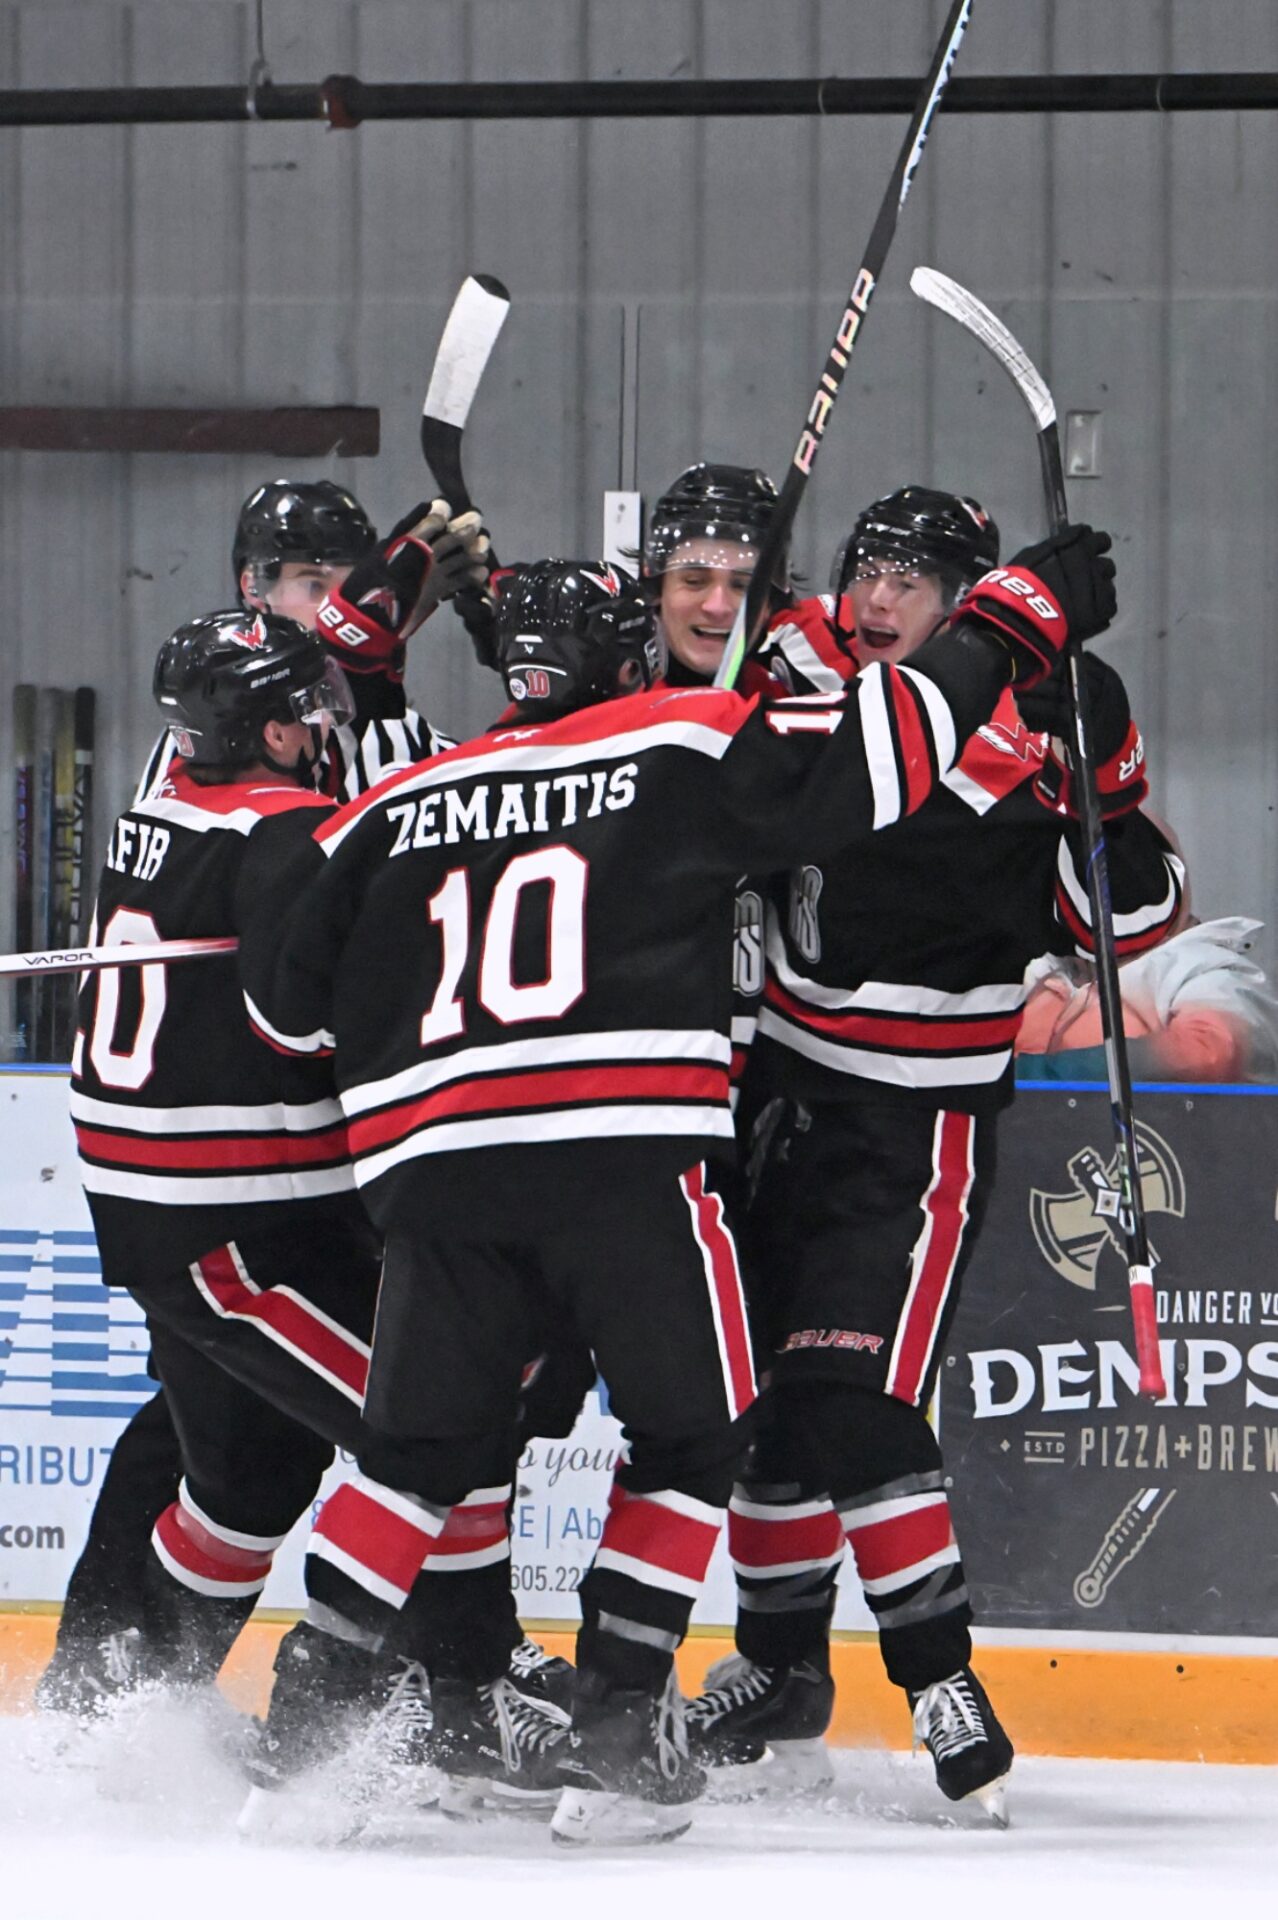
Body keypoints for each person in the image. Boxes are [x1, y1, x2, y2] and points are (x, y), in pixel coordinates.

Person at [236, 525, 1113, 1845]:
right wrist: (1008, 617)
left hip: (433, 1182)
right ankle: (615, 1718)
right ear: (623, 653)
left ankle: (304, 1720)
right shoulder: (681, 740)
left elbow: (284, 1010)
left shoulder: (394, 801)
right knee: (700, 1438)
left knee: (414, 1454)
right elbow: (873, 767)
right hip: (626, 1161)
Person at [684, 487, 1182, 1823]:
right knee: (758, 1411)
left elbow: (1124, 917)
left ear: (971, 607)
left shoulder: (1025, 734)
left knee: (854, 1402)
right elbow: (696, 698)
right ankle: (777, 1669)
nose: (880, 595)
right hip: (771, 1100)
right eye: (868, 569)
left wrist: (1107, 770)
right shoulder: (809, 683)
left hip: (912, 1130)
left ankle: (935, 1674)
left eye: (915, 579)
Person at [38, 481, 537, 1716]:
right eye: (297, 580)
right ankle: (439, 1695)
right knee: (428, 1421)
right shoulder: (265, 797)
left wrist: (455, 641)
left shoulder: (198, 759)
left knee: (248, 1478)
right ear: (251, 589)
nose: (322, 610)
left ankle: (122, 1712)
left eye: (338, 577)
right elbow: (348, 928)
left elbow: (398, 802)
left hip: (244, 1193)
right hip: (236, 1209)